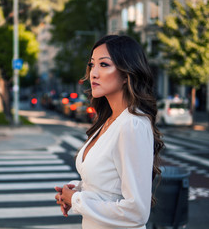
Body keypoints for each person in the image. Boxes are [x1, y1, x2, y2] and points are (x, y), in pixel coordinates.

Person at [54, 35, 164, 229]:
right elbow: (110, 187)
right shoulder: (109, 121)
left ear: (126, 74)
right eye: (92, 65)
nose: (93, 73)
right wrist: (74, 191)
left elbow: (137, 211)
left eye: (104, 65)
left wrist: (78, 200)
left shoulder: (132, 125)